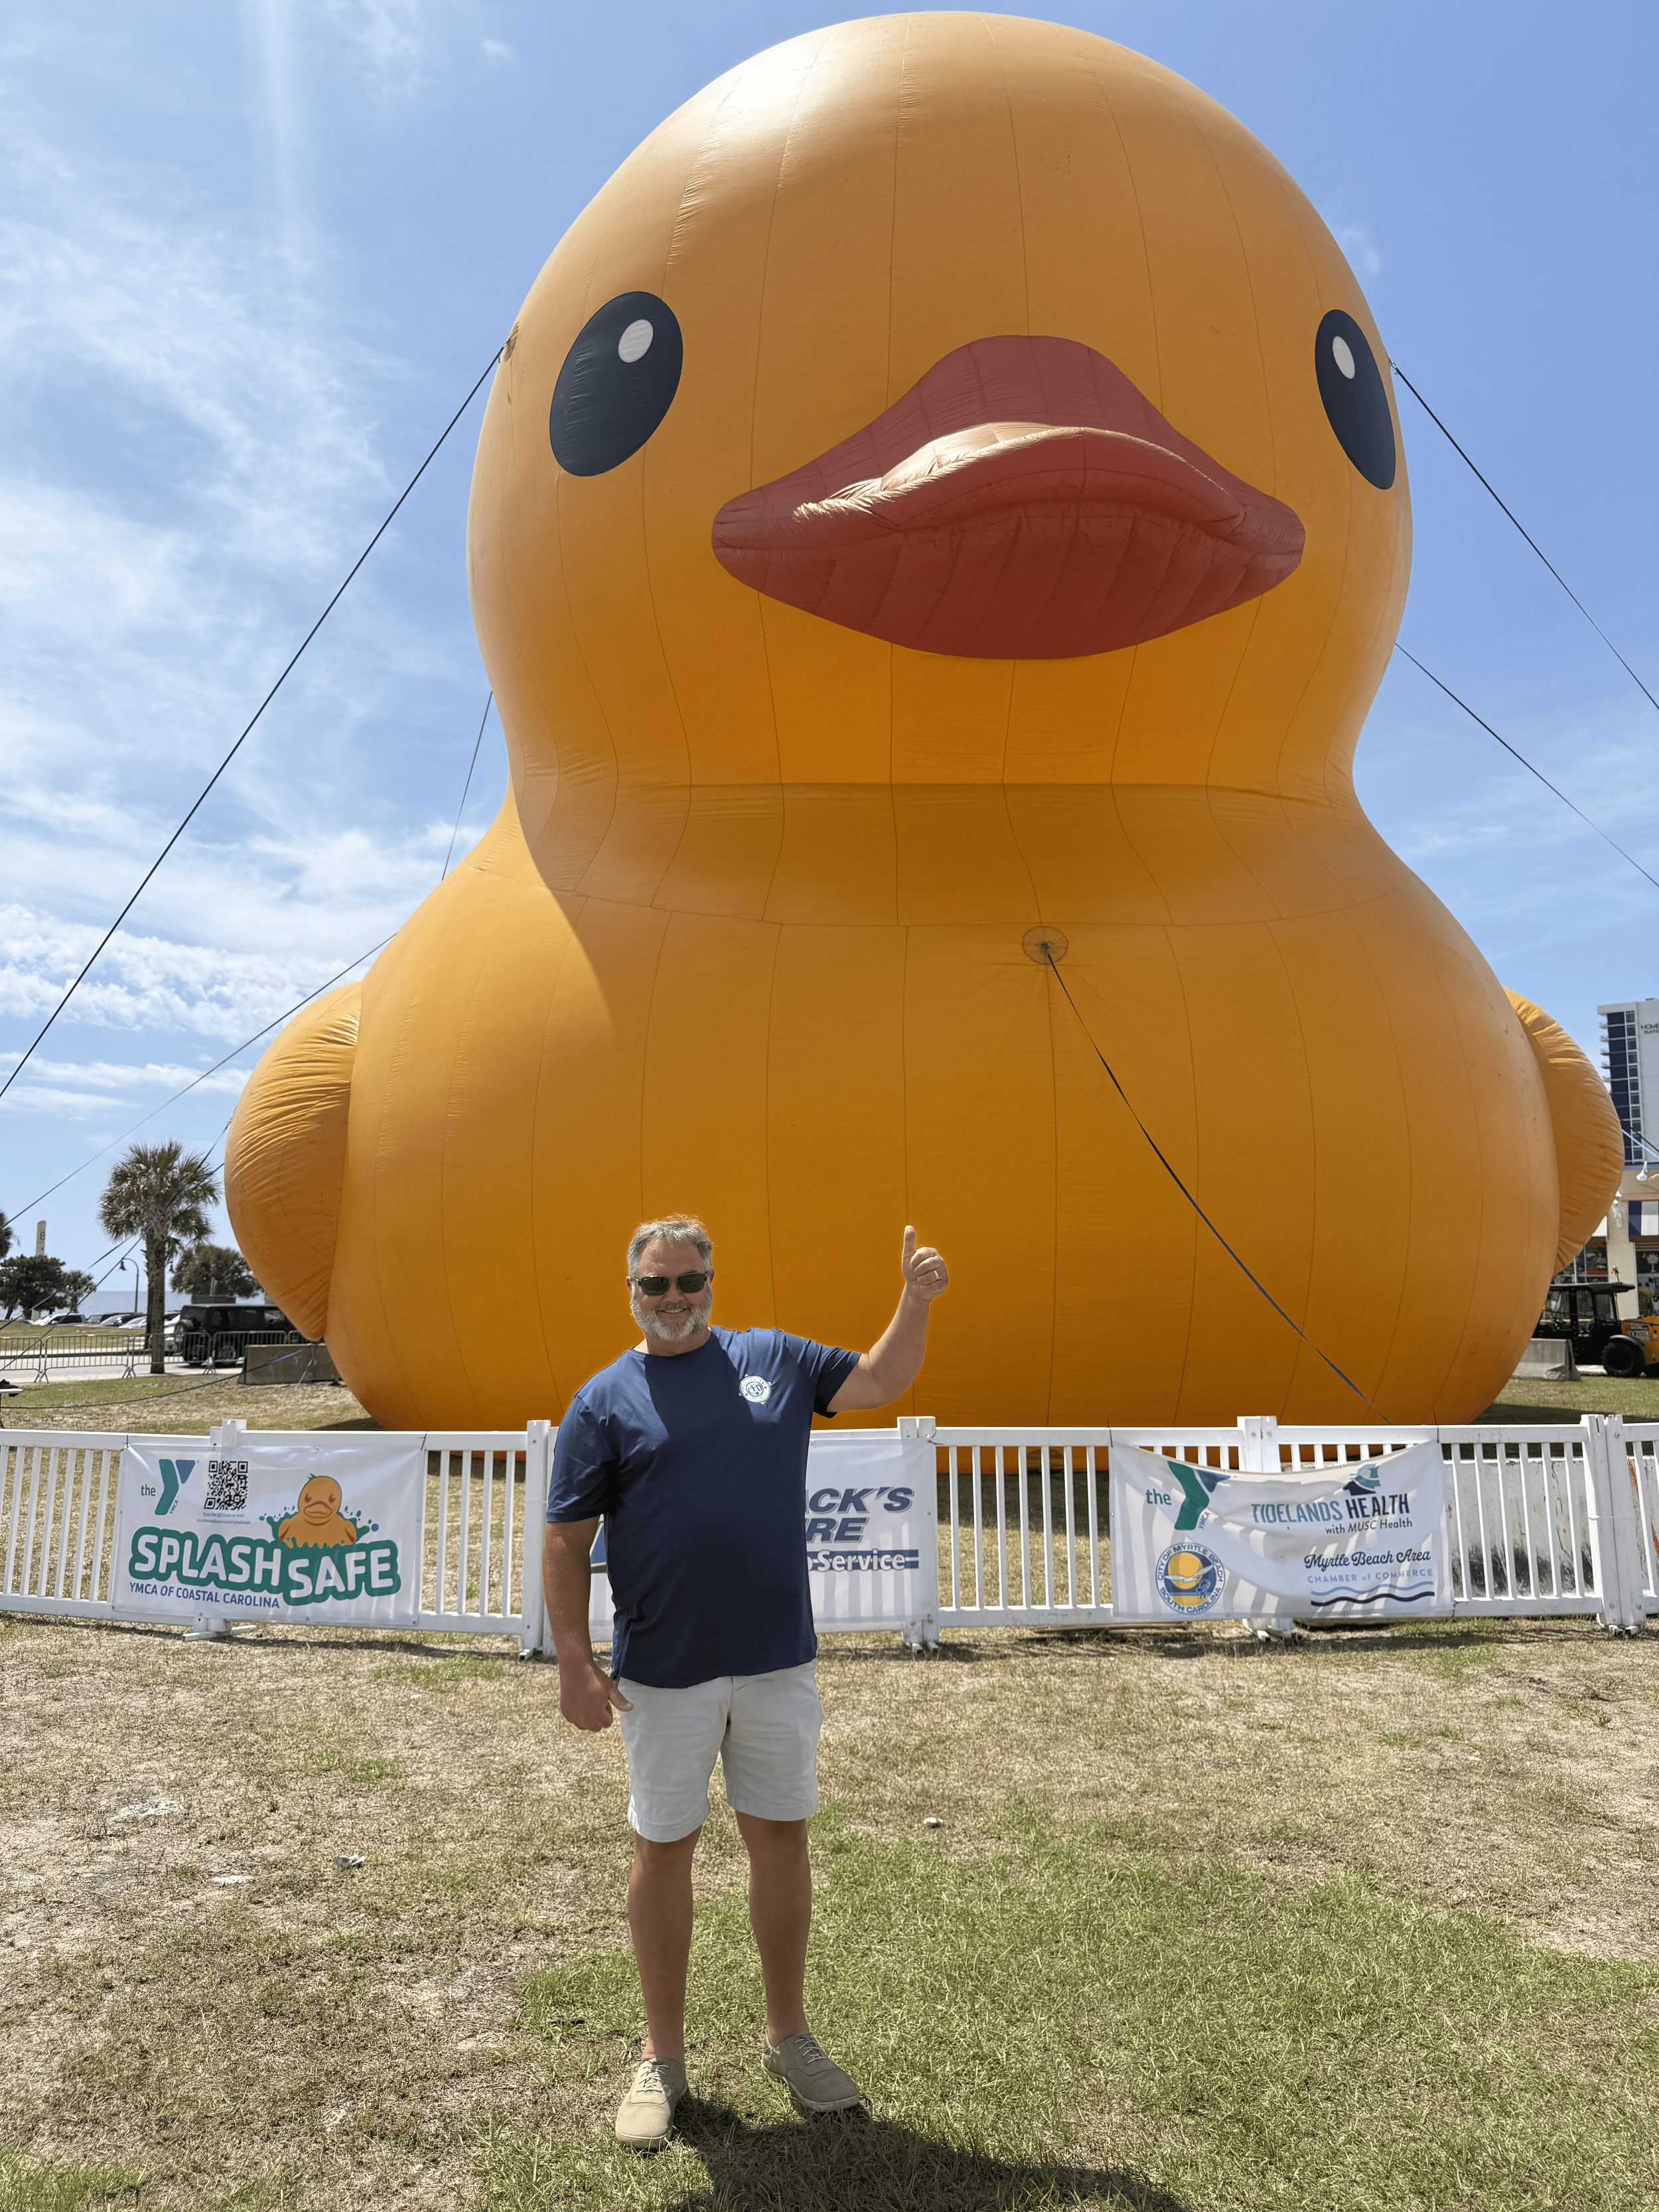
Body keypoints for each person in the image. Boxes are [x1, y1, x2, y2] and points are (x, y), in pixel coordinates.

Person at [541, 1213, 950, 2150]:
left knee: (779, 1838)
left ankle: (789, 2038)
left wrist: (914, 1301)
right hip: (665, 1672)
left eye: (690, 1283)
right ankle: (662, 2057)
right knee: (665, 1849)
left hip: (775, 1660)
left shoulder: (777, 1357)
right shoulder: (604, 1400)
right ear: (633, 1292)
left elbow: (883, 1380)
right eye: (656, 1286)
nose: (675, 1301)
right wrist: (574, 1657)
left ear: (712, 1284)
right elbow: (565, 1542)